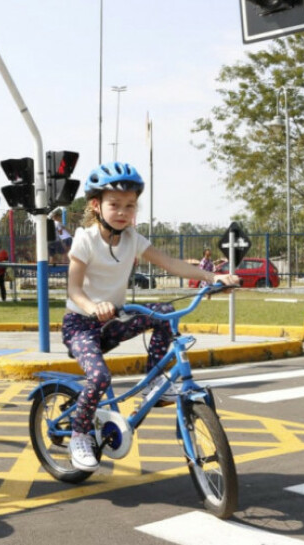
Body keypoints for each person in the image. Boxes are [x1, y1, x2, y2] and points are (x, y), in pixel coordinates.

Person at [62, 161, 238, 473]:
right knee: (100, 377)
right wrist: (92, 307)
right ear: (96, 205)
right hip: (81, 324)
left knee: (165, 312)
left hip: (114, 321)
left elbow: (171, 264)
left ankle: (153, 379)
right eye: (114, 204)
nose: (122, 212)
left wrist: (213, 279)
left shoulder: (132, 239)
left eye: (130, 206)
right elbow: (74, 289)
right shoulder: (85, 239)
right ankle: (79, 435)